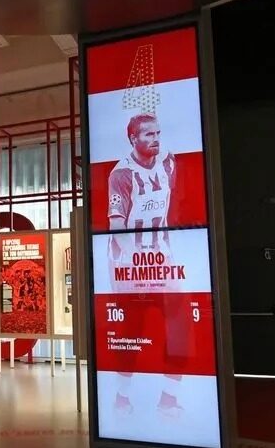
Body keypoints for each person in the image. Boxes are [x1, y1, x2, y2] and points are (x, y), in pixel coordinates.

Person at [105, 113, 185, 420]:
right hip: (130, 265)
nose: (155, 139)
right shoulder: (121, 174)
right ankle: (122, 398)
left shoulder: (168, 162)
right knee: (131, 331)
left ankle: (169, 399)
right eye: (149, 134)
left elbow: (172, 206)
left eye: (158, 133)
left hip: (162, 260)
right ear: (133, 139)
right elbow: (116, 226)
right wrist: (138, 261)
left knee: (180, 328)